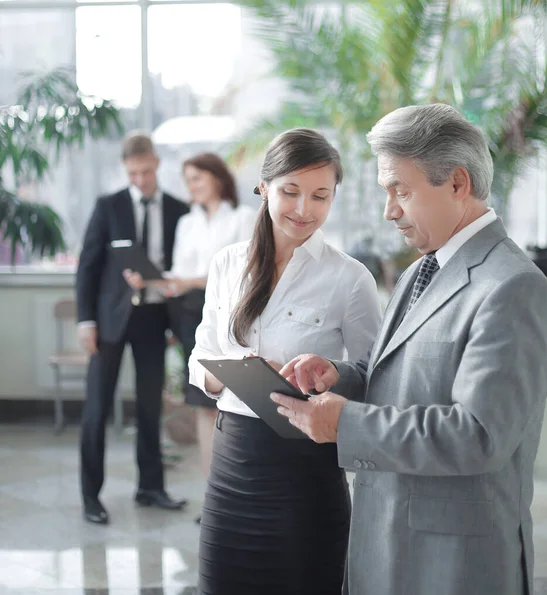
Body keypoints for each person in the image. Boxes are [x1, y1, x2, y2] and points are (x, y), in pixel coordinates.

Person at [273, 104, 547, 595]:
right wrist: (338, 377)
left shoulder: (512, 287)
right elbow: (397, 375)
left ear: (456, 183)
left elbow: (479, 434)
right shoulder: (421, 270)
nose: (389, 210)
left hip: (453, 564)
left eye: (400, 191)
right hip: (385, 544)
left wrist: (346, 423)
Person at [188, 128, 382, 595]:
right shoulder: (228, 264)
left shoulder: (350, 279)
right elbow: (200, 359)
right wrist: (234, 373)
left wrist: (324, 379)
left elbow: (376, 377)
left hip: (305, 475)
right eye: (290, 192)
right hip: (232, 467)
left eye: (320, 196)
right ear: (264, 188)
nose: (303, 209)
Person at [76, 132, 189, 525]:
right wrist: (85, 320)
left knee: (148, 406)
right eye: (132, 173)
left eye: (144, 171)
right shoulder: (108, 206)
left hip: (154, 319)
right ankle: (91, 496)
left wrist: (179, 319)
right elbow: (87, 267)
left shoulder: (179, 209)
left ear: (156, 163)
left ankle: (151, 487)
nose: (139, 179)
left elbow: (183, 267)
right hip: (109, 321)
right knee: (97, 407)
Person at [164, 152, 256, 521]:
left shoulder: (244, 218)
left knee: (237, 402)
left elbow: (245, 273)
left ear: (218, 178)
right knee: (203, 402)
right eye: (188, 180)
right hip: (189, 313)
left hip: (232, 315)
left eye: (198, 178)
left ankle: (243, 495)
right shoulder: (186, 223)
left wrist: (189, 280)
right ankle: (214, 497)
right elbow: (178, 273)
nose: (192, 187)